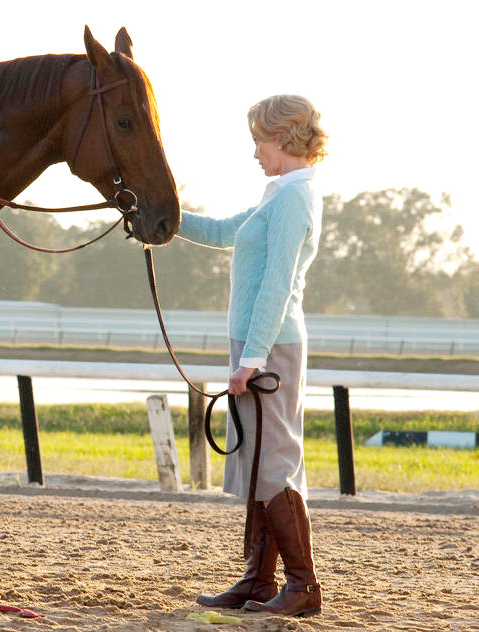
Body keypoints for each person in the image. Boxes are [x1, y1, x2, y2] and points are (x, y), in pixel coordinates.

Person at [179, 95, 328, 617]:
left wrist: (254, 359)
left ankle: (302, 586)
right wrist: (161, 216)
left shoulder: (294, 198)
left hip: (270, 345)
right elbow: (223, 232)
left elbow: (278, 284)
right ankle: (259, 582)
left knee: (273, 462)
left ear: (282, 138)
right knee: (258, 459)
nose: (255, 153)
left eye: (258, 142)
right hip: (255, 344)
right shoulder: (278, 193)